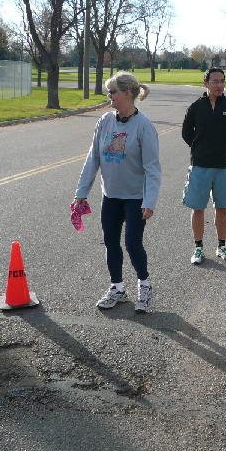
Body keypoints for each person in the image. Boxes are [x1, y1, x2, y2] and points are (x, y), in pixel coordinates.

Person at [73, 72, 161, 313]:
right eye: (108, 91)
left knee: (132, 244)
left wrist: (150, 200)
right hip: (110, 195)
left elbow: (152, 169)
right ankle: (117, 288)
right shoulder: (104, 122)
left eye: (112, 92)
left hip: (135, 197)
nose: (109, 96)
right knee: (111, 242)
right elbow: (94, 158)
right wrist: (82, 192)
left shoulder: (144, 126)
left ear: (128, 94)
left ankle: (144, 285)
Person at [182, 67, 226, 264]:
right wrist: (201, 149)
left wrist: (222, 147)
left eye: (222, 81)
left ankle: (222, 246)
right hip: (200, 165)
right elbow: (186, 133)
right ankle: (198, 248)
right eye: (215, 81)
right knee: (198, 208)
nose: (219, 85)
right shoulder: (195, 107)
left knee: (222, 208)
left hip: (224, 165)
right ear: (205, 83)